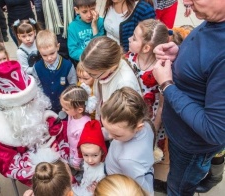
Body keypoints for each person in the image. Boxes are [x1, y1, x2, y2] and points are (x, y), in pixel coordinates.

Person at [152, 0, 225, 195]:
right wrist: (180, 52)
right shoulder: (215, 18)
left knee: (179, 188)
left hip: (191, 147)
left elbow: (215, 130)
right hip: (179, 135)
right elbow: (206, 62)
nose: (185, 1)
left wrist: (167, 85)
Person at [0, 60, 70, 186]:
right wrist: (47, 155)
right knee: (56, 183)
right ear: (15, 108)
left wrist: (50, 122)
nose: (34, 102)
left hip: (43, 145)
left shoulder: (30, 106)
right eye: (28, 102)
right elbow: (11, 165)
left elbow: (40, 116)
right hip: (33, 164)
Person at [127, 19, 169, 162]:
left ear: (146, 48)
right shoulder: (129, 58)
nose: (128, 39)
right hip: (131, 116)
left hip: (150, 121)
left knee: (147, 155)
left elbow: (162, 106)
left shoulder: (161, 70)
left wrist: (153, 131)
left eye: (133, 38)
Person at [101, 87, 155, 195]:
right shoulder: (145, 123)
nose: (110, 136)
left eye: (117, 135)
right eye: (107, 129)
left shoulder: (128, 161)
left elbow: (143, 191)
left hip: (117, 185)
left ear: (138, 127)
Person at [80, 36, 141, 120]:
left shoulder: (125, 83)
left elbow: (122, 121)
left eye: (93, 74)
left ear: (111, 67)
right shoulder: (107, 71)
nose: (90, 76)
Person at [33, 30, 77, 113]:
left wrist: (68, 99)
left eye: (52, 53)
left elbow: (73, 85)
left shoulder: (68, 65)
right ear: (39, 51)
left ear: (58, 47)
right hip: (46, 107)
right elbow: (37, 87)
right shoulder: (37, 67)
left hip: (65, 108)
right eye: (44, 55)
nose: (49, 58)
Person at [60, 85, 91, 170]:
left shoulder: (82, 127)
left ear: (79, 110)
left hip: (79, 156)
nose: (63, 110)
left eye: (66, 109)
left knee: (80, 169)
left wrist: (76, 162)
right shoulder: (72, 115)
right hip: (72, 149)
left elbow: (81, 148)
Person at [72, 120, 107, 196]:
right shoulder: (87, 161)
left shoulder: (102, 173)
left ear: (102, 152)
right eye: (85, 155)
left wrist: (96, 190)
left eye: (95, 155)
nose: (89, 160)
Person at [67, 0, 104, 64]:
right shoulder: (73, 27)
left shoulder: (100, 22)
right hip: (83, 63)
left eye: (92, 10)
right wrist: (91, 54)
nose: (89, 15)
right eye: (84, 12)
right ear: (76, 10)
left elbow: (100, 46)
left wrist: (94, 27)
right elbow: (73, 52)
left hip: (99, 61)